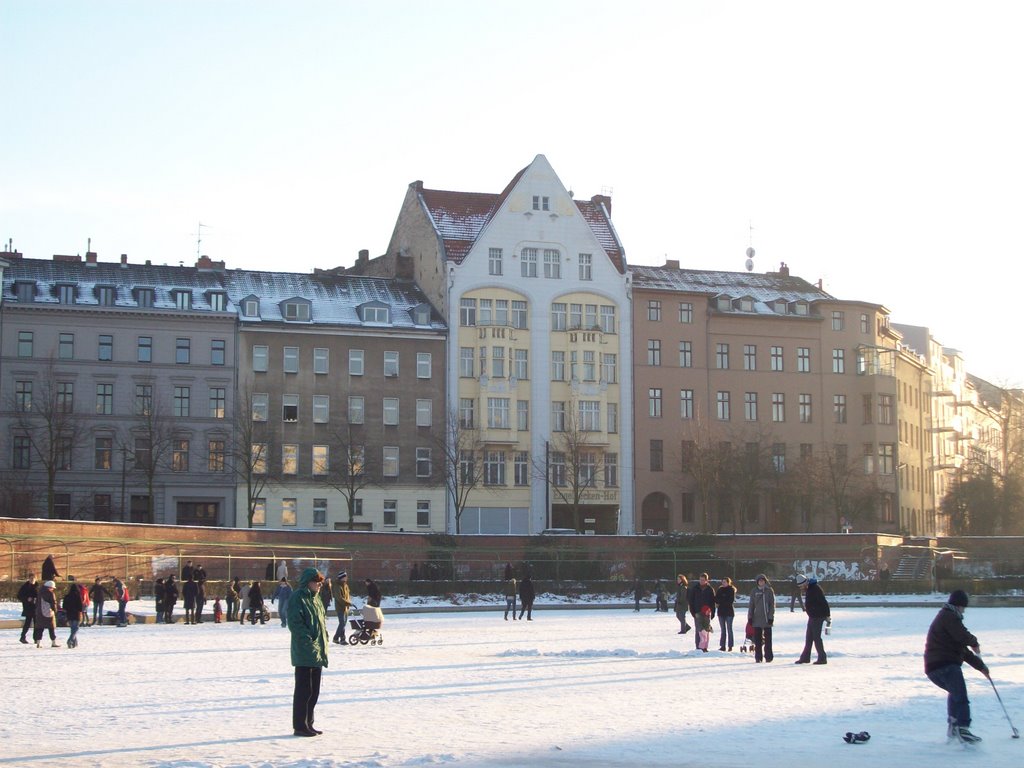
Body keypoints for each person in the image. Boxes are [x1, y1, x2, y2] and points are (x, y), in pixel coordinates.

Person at [924, 590, 989, 744]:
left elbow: (962, 651)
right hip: (945, 664)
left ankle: (954, 726)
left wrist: (981, 667)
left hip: (934, 667)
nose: (964, 610)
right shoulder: (949, 616)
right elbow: (962, 636)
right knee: (961, 696)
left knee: (955, 693)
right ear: (958, 605)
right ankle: (963, 729)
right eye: (963, 607)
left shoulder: (946, 618)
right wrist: (974, 642)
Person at [287, 568, 329, 737]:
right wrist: (308, 641)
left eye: (320, 582)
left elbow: (320, 622)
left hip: (318, 650)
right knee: (304, 691)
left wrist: (323, 638)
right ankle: (300, 725)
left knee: (314, 691)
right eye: (316, 582)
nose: (319, 585)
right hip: (305, 651)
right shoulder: (298, 597)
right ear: (307, 582)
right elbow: (295, 623)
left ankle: (309, 723)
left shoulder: (316, 599)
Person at [795, 576, 830, 664]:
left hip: (818, 616)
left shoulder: (815, 588)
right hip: (813, 616)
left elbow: (824, 602)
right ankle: (805, 657)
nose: (801, 588)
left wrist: (827, 615)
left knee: (816, 637)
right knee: (809, 637)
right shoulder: (810, 589)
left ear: (805, 583)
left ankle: (822, 658)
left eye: (801, 586)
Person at [747, 574, 776, 663]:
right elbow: (751, 605)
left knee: (768, 639)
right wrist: (750, 617)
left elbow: (772, 605)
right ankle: (758, 657)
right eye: (759, 581)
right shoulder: (754, 591)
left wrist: (771, 617)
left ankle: (768, 656)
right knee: (757, 640)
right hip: (757, 619)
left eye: (763, 581)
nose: (761, 582)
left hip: (767, 618)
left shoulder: (769, 591)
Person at [687, 573, 716, 650]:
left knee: (706, 629)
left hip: (706, 612)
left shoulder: (710, 589)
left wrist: (713, 612)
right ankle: (698, 646)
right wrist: (693, 612)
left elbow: (713, 602)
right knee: (698, 630)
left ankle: (705, 647)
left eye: (703, 580)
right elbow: (691, 601)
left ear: (707, 580)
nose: (701, 581)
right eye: (700, 580)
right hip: (697, 612)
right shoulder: (695, 588)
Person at [33, 580, 59, 647]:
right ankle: (53, 642)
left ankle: (38, 642)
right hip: (49, 613)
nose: (53, 589)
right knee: (51, 628)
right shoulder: (50, 593)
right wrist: (55, 610)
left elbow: (37, 603)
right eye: (52, 588)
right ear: (50, 587)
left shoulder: (40, 592)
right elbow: (53, 603)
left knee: (40, 628)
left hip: (40, 613)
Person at [715, 577, 737, 651]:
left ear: (728, 582)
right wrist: (722, 600)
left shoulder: (731, 590)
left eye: (725, 582)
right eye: (722, 582)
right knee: (723, 630)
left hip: (729, 612)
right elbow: (716, 599)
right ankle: (722, 646)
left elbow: (730, 600)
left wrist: (722, 600)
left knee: (729, 629)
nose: (723, 583)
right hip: (721, 612)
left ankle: (730, 646)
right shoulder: (720, 590)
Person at [332, 571, 353, 645]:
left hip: (346, 608)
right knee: (342, 623)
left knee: (343, 624)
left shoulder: (346, 585)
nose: (347, 577)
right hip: (340, 607)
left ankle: (342, 639)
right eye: (345, 576)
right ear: (342, 577)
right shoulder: (337, 586)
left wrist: (348, 602)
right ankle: (336, 638)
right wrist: (347, 603)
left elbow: (347, 596)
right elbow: (339, 598)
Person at [18, 573, 38, 644]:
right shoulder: (25, 586)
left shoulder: (37, 586)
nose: (32, 580)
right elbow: (19, 596)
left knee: (36, 624)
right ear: (28, 579)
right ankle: (22, 637)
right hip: (28, 607)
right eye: (31, 578)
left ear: (36, 579)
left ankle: (36, 638)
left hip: (36, 608)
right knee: (27, 623)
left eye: (33, 578)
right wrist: (27, 599)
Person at [62, 583, 83, 648]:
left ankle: (74, 643)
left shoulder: (67, 596)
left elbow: (64, 606)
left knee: (72, 629)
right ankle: (70, 640)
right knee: (75, 629)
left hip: (69, 614)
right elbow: (80, 607)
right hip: (76, 614)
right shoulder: (78, 596)